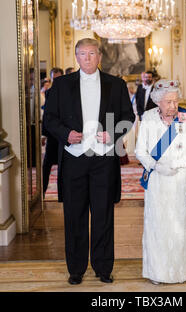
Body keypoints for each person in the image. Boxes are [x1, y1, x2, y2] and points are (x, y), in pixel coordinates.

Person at [43, 38, 135, 285]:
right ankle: (76, 269)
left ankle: (103, 267)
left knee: (103, 214)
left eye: (91, 53)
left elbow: (129, 116)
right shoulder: (61, 85)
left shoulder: (116, 85)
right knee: (74, 215)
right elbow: (48, 120)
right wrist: (66, 134)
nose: (87, 58)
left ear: (99, 56)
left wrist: (113, 133)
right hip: (74, 158)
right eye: (82, 54)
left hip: (103, 158)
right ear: (76, 57)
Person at [135, 79, 186, 285]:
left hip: (181, 178)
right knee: (159, 225)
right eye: (168, 102)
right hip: (158, 181)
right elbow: (140, 151)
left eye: (175, 101)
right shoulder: (148, 118)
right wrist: (156, 166)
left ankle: (183, 270)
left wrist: (179, 163)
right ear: (158, 102)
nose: (173, 106)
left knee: (181, 225)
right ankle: (159, 272)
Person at [41, 67, 64, 198]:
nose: (56, 80)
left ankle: (62, 193)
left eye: (58, 78)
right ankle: (42, 192)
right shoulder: (48, 93)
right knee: (46, 165)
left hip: (64, 135)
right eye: (54, 78)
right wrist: (44, 134)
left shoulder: (69, 92)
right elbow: (47, 116)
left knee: (63, 166)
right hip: (52, 135)